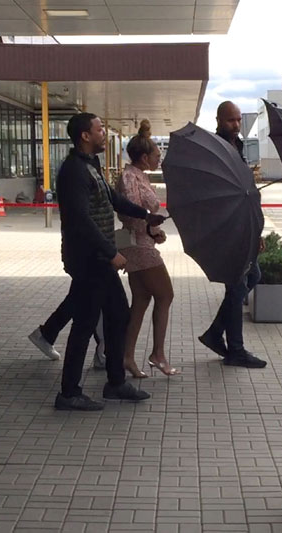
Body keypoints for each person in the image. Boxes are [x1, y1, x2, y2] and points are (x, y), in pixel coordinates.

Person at [53, 112, 165, 411]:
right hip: (89, 259)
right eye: (100, 129)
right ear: (85, 136)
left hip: (98, 259)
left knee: (118, 315)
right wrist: (111, 252)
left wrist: (146, 215)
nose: (105, 133)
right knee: (85, 322)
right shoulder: (73, 171)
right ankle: (69, 392)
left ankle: (115, 383)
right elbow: (80, 220)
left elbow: (112, 201)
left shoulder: (91, 166)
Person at [197, 101, 267, 369]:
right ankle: (235, 349)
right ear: (218, 120)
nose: (236, 125)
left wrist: (256, 230)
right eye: (231, 121)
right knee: (237, 286)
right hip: (225, 229)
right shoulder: (213, 149)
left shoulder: (238, 147)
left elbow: (245, 190)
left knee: (254, 276)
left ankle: (216, 332)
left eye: (238, 120)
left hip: (243, 226)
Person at [117, 119, 178, 377]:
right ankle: (157, 354)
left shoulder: (139, 175)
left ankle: (127, 357)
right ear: (144, 157)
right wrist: (149, 224)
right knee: (165, 295)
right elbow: (131, 212)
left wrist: (154, 230)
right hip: (138, 247)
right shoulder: (130, 177)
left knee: (141, 300)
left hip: (141, 242)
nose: (159, 157)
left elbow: (141, 216)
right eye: (156, 154)